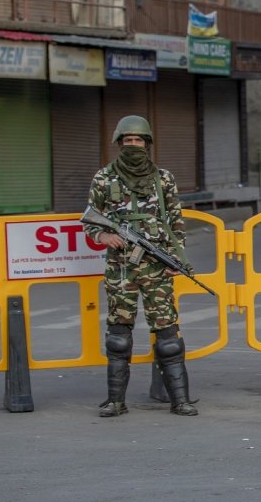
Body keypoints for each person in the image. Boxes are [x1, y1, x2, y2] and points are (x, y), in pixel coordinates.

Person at [83, 115, 199, 418]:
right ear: (119, 143)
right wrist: (104, 234)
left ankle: (180, 400)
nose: (133, 145)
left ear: (147, 144)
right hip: (121, 267)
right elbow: (90, 219)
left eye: (138, 140)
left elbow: (176, 223)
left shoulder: (164, 179)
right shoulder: (104, 178)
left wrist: (178, 259)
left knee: (168, 335)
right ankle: (116, 401)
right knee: (118, 335)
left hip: (158, 267)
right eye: (128, 141)